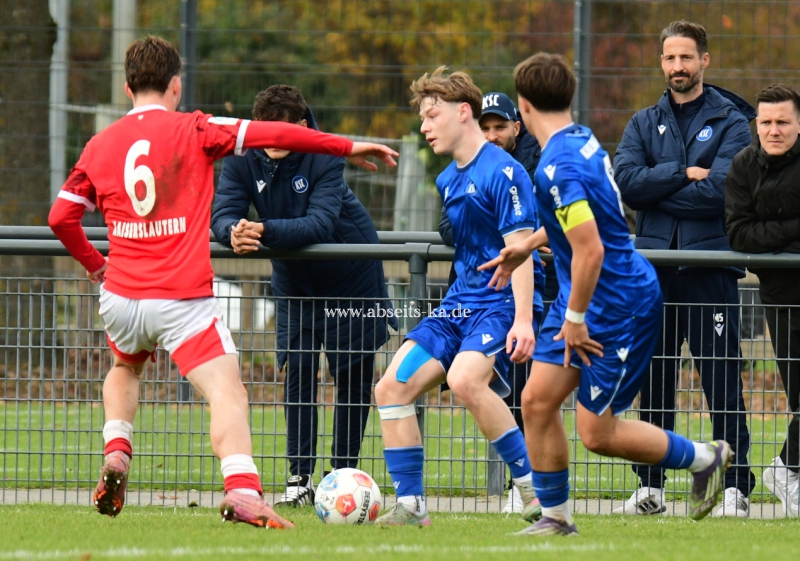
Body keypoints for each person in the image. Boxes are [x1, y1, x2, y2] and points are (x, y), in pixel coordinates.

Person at [47, 36, 397, 528]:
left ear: (127, 88)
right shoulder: (197, 128)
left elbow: (61, 217)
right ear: (176, 84)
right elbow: (276, 135)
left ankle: (118, 450)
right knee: (227, 392)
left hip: (122, 294)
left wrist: (94, 264)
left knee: (124, 368)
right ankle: (243, 489)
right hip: (179, 295)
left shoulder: (99, 144)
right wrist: (347, 145)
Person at [479, 52, 732, 537]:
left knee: (598, 433)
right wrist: (526, 247)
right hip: (583, 296)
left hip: (616, 303)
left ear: (524, 106)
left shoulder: (556, 166)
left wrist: (574, 317)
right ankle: (556, 517)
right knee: (536, 401)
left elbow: (590, 249)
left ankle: (706, 457)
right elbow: (580, 223)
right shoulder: (581, 139)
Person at [211, 84, 397, 507]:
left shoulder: (324, 155)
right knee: (298, 375)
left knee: (350, 376)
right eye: (266, 134)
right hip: (294, 282)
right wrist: (231, 232)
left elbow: (319, 223)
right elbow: (224, 212)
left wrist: (264, 232)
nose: (274, 144)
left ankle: (343, 475)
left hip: (352, 277)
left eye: (284, 134)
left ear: (300, 127)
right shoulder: (242, 157)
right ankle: (299, 479)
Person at [373, 67, 540, 527]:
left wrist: (524, 319)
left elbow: (521, 252)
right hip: (459, 305)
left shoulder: (506, 171)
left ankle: (532, 489)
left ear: (463, 112)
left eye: (432, 115)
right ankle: (411, 506)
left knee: (467, 380)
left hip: (500, 303)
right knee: (390, 388)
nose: (424, 126)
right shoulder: (447, 179)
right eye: (423, 118)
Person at [613, 20, 756, 517]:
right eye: (670, 58)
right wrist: (680, 172)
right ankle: (650, 485)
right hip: (651, 274)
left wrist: (663, 188)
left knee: (720, 378)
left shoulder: (734, 120)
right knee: (652, 379)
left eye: (686, 58)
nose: (678, 67)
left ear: (704, 61)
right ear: (662, 63)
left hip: (708, 270)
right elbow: (626, 183)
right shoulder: (641, 121)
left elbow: (721, 190)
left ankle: (735, 485)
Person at [438, 91, 546, 514]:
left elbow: (540, 227)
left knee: (536, 397)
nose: (493, 134)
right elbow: (449, 225)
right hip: (476, 295)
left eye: (500, 126)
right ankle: (521, 488)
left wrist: (525, 240)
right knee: (479, 386)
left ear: (517, 128)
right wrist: (493, 233)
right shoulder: (457, 170)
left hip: (535, 295)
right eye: (486, 127)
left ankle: (539, 485)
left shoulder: (526, 169)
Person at [725, 83, 800, 517]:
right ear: (757, 123)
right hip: (782, 295)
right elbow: (740, 234)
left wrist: (776, 234)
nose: (773, 130)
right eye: (766, 122)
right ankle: (786, 469)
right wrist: (794, 230)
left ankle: (785, 468)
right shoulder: (743, 167)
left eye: (783, 122)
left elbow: (759, 233)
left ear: (797, 124)